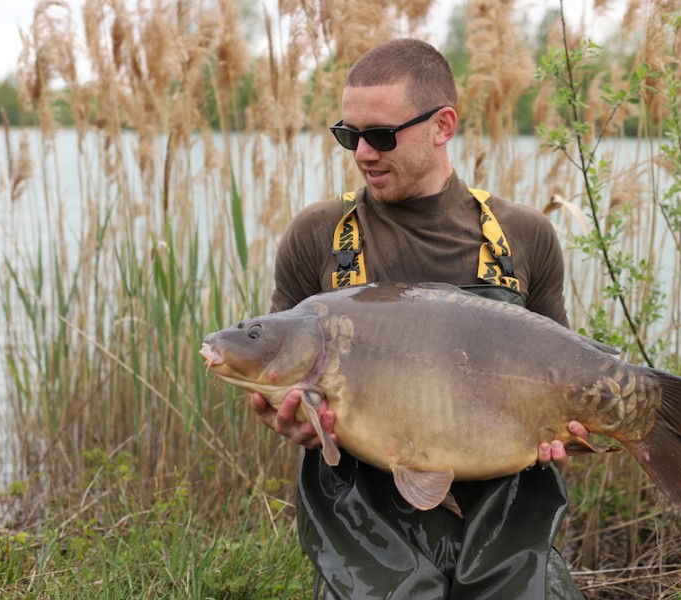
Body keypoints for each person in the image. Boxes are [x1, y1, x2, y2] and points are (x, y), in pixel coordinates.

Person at [250, 38, 589, 599]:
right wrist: (287, 420)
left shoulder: (522, 235)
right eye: (348, 134)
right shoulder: (319, 234)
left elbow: (559, 376)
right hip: (364, 517)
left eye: (381, 136)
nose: (361, 153)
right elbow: (280, 368)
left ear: (443, 125)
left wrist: (572, 435)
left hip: (504, 502)